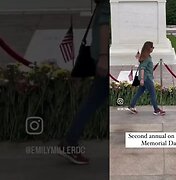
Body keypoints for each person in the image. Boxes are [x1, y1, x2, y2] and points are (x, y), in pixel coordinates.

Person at [58, 0, 110, 165]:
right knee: (93, 102)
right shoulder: (108, 4)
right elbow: (105, 26)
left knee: (93, 101)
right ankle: (69, 143)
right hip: (107, 58)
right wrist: (103, 57)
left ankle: (69, 142)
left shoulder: (104, 4)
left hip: (107, 57)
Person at [128, 41, 166, 116]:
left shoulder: (145, 56)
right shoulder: (147, 58)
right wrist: (142, 79)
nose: (153, 49)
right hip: (146, 78)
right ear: (149, 48)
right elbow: (142, 68)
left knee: (139, 92)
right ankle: (156, 110)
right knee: (153, 94)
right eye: (152, 47)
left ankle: (131, 106)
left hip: (144, 78)